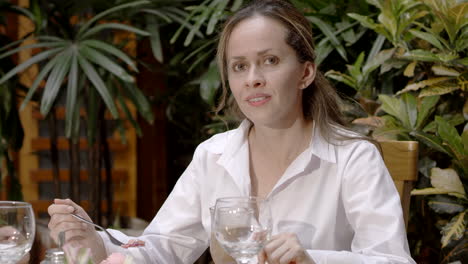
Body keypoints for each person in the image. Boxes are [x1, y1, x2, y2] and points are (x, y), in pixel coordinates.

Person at [48, 0, 416, 263]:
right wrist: (94, 244)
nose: (253, 78)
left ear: (305, 73)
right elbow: (165, 247)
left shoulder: (353, 157)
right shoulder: (213, 155)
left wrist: (311, 260)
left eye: (269, 61)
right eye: (239, 66)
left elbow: (392, 260)